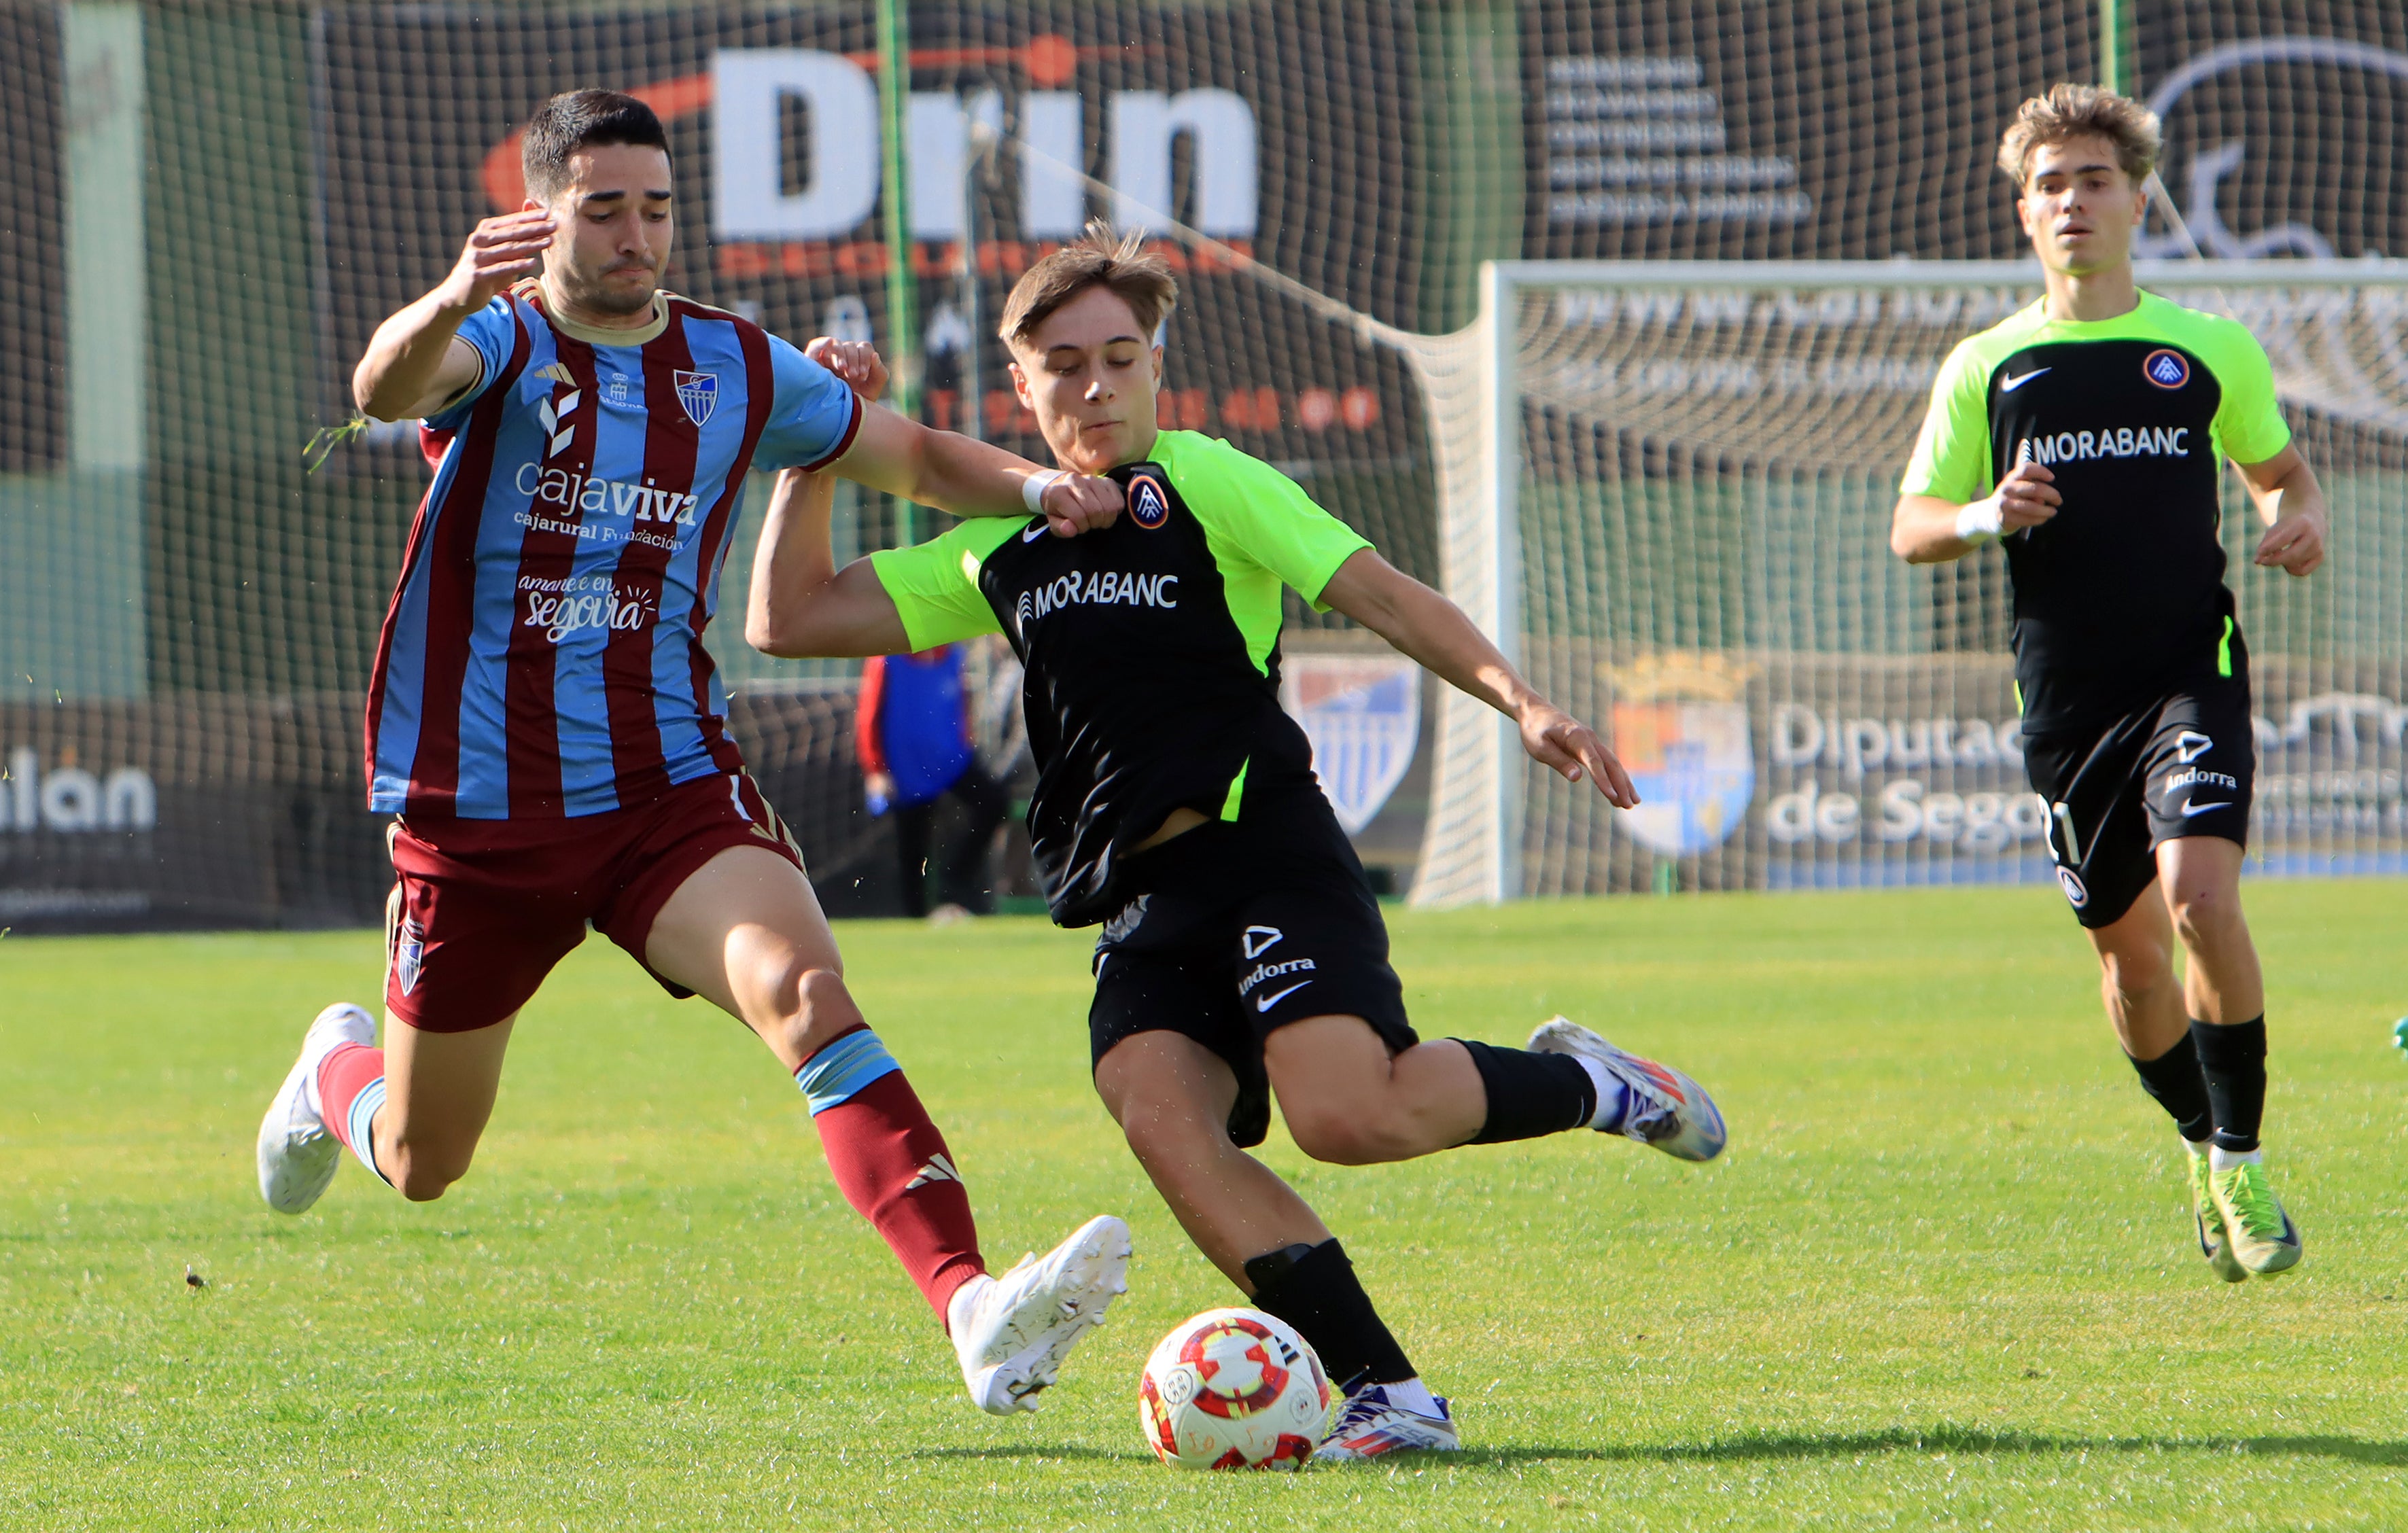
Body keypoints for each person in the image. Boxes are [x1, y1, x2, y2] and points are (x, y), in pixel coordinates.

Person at [748, 225, 1728, 1460]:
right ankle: (1388, 1393)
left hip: (1264, 848)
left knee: (1344, 1113)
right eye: (1063, 364)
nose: (1094, 384)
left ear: (1156, 366)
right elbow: (785, 619)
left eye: (1119, 356)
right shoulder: (1000, 542)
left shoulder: (1205, 483)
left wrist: (1522, 698)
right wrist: (815, 442)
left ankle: (1596, 1083)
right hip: (1140, 898)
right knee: (1155, 1112)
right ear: (1021, 388)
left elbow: (1381, 592)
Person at [252, 89, 1136, 1415]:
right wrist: (444, 297)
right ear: (546, 215)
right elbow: (382, 387)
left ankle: (971, 1308)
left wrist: (1031, 488)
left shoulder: (731, 364)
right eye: (603, 209)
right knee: (425, 1158)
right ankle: (338, 1071)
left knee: (807, 996)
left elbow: (911, 456)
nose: (635, 236)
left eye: (655, 209)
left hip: (666, 792)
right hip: (479, 817)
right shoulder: (498, 342)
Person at [1891, 84, 2328, 1281]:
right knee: (2129, 961)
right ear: (2022, 215)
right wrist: (1984, 514)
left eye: (2091, 179)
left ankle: (2238, 1157)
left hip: (2191, 668)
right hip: (2066, 703)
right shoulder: (1990, 366)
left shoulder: (2202, 349)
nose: (2070, 201)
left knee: (2199, 898)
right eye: (2047, 185)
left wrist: (2297, 520)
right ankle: (2194, 1140)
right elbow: (1910, 526)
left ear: (2137, 198)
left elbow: (2281, 476)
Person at [854, 644, 1010, 918]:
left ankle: (956, 879)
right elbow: (869, 716)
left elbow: (960, 706)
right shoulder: (886, 659)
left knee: (994, 804)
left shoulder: (953, 656)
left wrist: (965, 741)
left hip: (952, 762)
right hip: (906, 767)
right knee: (913, 848)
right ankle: (916, 920)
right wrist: (876, 769)